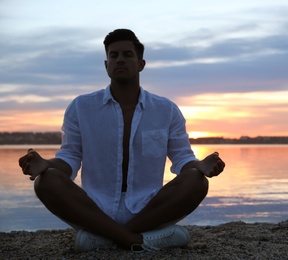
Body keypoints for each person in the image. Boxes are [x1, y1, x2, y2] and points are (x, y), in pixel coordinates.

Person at [18, 29, 225, 253]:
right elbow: (69, 158)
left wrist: (199, 166)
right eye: (114, 55)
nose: (120, 60)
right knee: (45, 181)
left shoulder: (166, 110)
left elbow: (183, 158)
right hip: (94, 209)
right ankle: (139, 239)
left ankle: (108, 238)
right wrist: (45, 165)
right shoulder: (81, 107)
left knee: (197, 181)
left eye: (127, 55)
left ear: (141, 64)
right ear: (106, 65)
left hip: (150, 209)